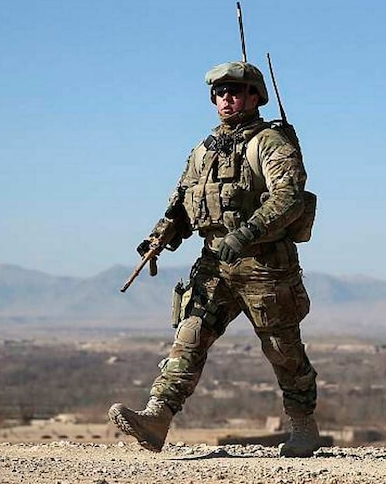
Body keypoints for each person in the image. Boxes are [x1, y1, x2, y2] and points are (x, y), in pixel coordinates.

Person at [108, 61, 320, 457]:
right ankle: (157, 417)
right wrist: (161, 235)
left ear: (256, 96)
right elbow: (183, 202)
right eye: (220, 93)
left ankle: (303, 426)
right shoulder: (204, 150)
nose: (227, 99)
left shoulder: (270, 143)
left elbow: (288, 198)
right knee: (189, 337)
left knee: (283, 349)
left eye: (236, 91)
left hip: (266, 266)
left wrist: (244, 234)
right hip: (214, 263)